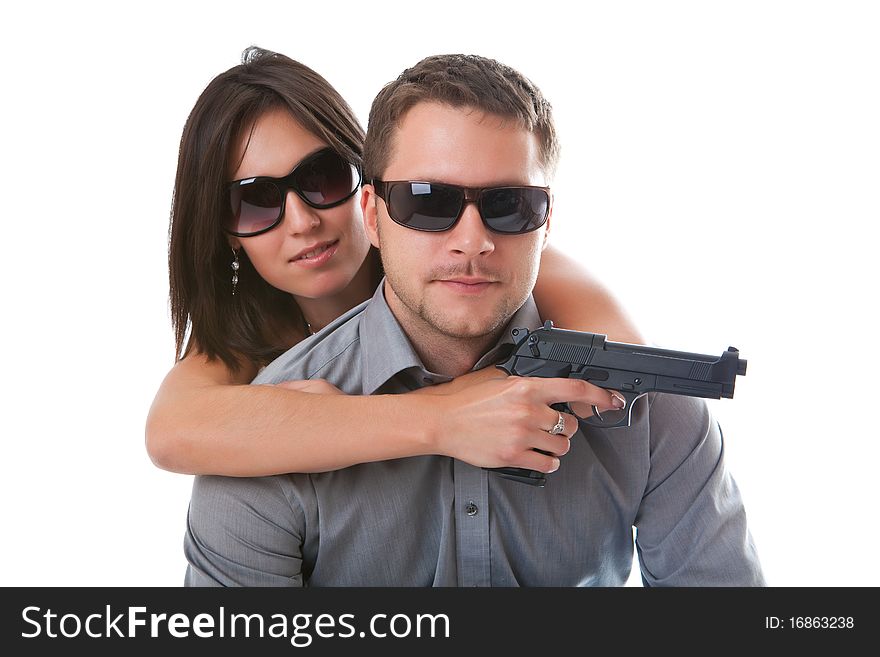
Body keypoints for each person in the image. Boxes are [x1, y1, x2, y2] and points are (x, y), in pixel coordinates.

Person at [183, 53, 764, 586]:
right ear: (375, 211)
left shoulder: (644, 406)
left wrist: (642, 399)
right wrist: (436, 417)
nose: (472, 242)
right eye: (427, 202)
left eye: (509, 207)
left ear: (547, 220)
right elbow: (172, 430)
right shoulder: (257, 433)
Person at [146, 47, 642, 479]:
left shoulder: (474, 254)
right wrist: (440, 416)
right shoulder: (243, 334)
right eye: (255, 202)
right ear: (225, 233)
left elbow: (631, 366)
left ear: (370, 189)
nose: (301, 222)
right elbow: (170, 433)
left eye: (322, 178)